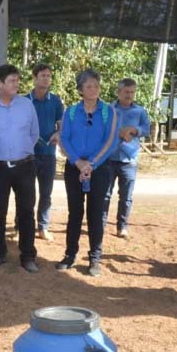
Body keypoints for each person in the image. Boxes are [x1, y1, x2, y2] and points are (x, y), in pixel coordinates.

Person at [0, 64, 40, 273]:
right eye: (11, 80)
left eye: (17, 80)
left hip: (25, 165)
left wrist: (20, 152)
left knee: (27, 212)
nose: (16, 84)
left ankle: (28, 255)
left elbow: (34, 133)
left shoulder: (27, 105)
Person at [58, 69, 118, 276]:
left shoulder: (108, 111)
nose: (94, 89)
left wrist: (91, 164)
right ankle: (70, 255)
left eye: (96, 85)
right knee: (74, 212)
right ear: (80, 90)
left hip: (99, 169)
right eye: (89, 86)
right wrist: (78, 163)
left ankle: (95, 259)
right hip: (74, 168)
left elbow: (110, 141)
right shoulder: (71, 112)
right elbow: (63, 139)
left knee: (96, 214)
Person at [103, 77, 150, 239]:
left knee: (126, 197)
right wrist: (119, 132)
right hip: (108, 159)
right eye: (126, 92)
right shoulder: (108, 109)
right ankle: (100, 225)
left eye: (132, 92)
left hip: (129, 160)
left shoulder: (140, 111)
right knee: (105, 195)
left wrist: (134, 130)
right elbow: (102, 129)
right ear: (119, 92)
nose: (129, 95)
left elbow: (146, 129)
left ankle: (122, 226)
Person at [26, 63, 64, 242]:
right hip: (28, 156)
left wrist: (58, 133)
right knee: (26, 193)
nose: (46, 78)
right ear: (34, 78)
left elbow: (61, 126)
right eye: (43, 75)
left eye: (49, 75)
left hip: (49, 154)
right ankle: (22, 225)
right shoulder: (24, 100)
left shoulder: (56, 101)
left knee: (46, 193)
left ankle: (43, 227)